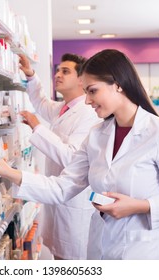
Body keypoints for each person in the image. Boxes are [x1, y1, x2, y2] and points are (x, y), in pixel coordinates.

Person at [0, 49, 159, 260]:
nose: (87, 100)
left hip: (142, 252)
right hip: (99, 249)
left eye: (92, 90)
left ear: (117, 85)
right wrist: (8, 171)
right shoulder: (97, 135)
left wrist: (139, 206)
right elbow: (62, 187)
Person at [18, 53, 101, 260]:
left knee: (72, 261)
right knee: (59, 257)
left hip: (74, 202)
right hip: (58, 201)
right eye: (57, 70)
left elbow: (72, 158)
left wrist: (37, 127)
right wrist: (30, 75)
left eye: (66, 71)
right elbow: (41, 102)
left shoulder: (88, 113)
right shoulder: (63, 108)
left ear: (81, 80)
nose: (58, 75)